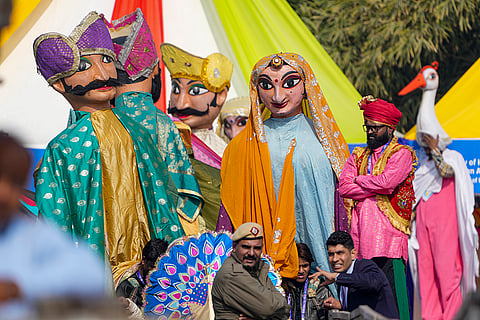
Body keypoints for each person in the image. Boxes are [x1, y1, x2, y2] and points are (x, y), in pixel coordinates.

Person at [33, 12, 193, 281]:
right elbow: (54, 220)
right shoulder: (61, 149)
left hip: (153, 264)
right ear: (60, 84)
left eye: (107, 60)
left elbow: (161, 198)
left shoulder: (138, 132)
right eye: (85, 66)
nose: (103, 73)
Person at [220, 53, 350, 279]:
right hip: (263, 265)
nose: (278, 95)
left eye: (289, 83)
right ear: (256, 91)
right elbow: (230, 211)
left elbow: (344, 204)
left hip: (324, 264)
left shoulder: (328, 141)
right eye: (266, 85)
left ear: (306, 85)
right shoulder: (241, 146)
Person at [103, 9, 203, 235]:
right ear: (155, 68)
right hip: (158, 245)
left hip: (109, 239)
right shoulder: (166, 125)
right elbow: (185, 201)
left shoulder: (94, 123)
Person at [0, 133, 106, 319]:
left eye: (13, 182)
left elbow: (90, 273)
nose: (4, 192)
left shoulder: (27, 234)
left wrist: (18, 287)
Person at [339, 95, 416, 320]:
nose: (370, 132)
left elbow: (387, 183)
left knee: (394, 302)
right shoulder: (358, 155)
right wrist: (374, 184)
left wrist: (360, 180)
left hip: (389, 244)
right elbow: (344, 188)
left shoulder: (402, 154)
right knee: (363, 302)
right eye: (368, 127)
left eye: (375, 128)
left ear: (390, 128)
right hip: (361, 242)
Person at [411, 110, 478, 319]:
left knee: (448, 275)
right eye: (423, 141)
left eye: (428, 139)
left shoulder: (453, 159)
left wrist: (435, 150)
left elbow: (447, 171)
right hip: (423, 229)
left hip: (445, 228)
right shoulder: (423, 166)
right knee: (426, 276)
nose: (425, 144)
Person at [160, 43, 233, 168]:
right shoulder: (161, 139)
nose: (181, 104)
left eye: (195, 91)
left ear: (221, 95)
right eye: (176, 89)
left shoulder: (227, 153)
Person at [212, 222, 290, 319]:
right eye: (246, 247)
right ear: (234, 247)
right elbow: (269, 308)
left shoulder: (257, 268)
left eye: (257, 248)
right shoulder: (232, 274)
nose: (251, 253)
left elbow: (285, 309)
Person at [314, 231, 399, 319]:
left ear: (353, 254)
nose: (335, 259)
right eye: (331, 254)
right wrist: (341, 306)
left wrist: (336, 277)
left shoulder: (364, 266)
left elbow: (373, 282)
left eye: (340, 253)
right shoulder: (343, 276)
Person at [116, 238, 168, 317]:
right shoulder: (127, 287)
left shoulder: (167, 283)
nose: (157, 273)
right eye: (153, 268)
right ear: (144, 260)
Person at [284, 243, 331, 320]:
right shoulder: (283, 288)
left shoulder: (320, 289)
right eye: (297, 266)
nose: (301, 271)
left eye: (305, 266)